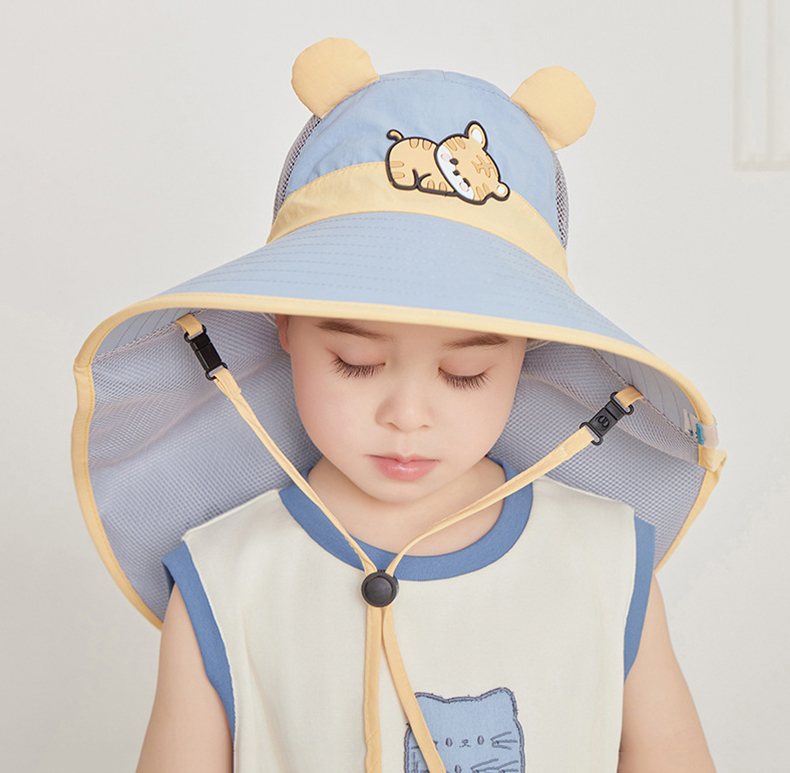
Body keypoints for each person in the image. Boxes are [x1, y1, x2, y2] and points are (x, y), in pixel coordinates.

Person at [71, 39, 725, 772]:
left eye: (465, 372)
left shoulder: (606, 559)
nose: (407, 415)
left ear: (530, 349)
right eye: (356, 362)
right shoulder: (224, 576)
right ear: (284, 325)